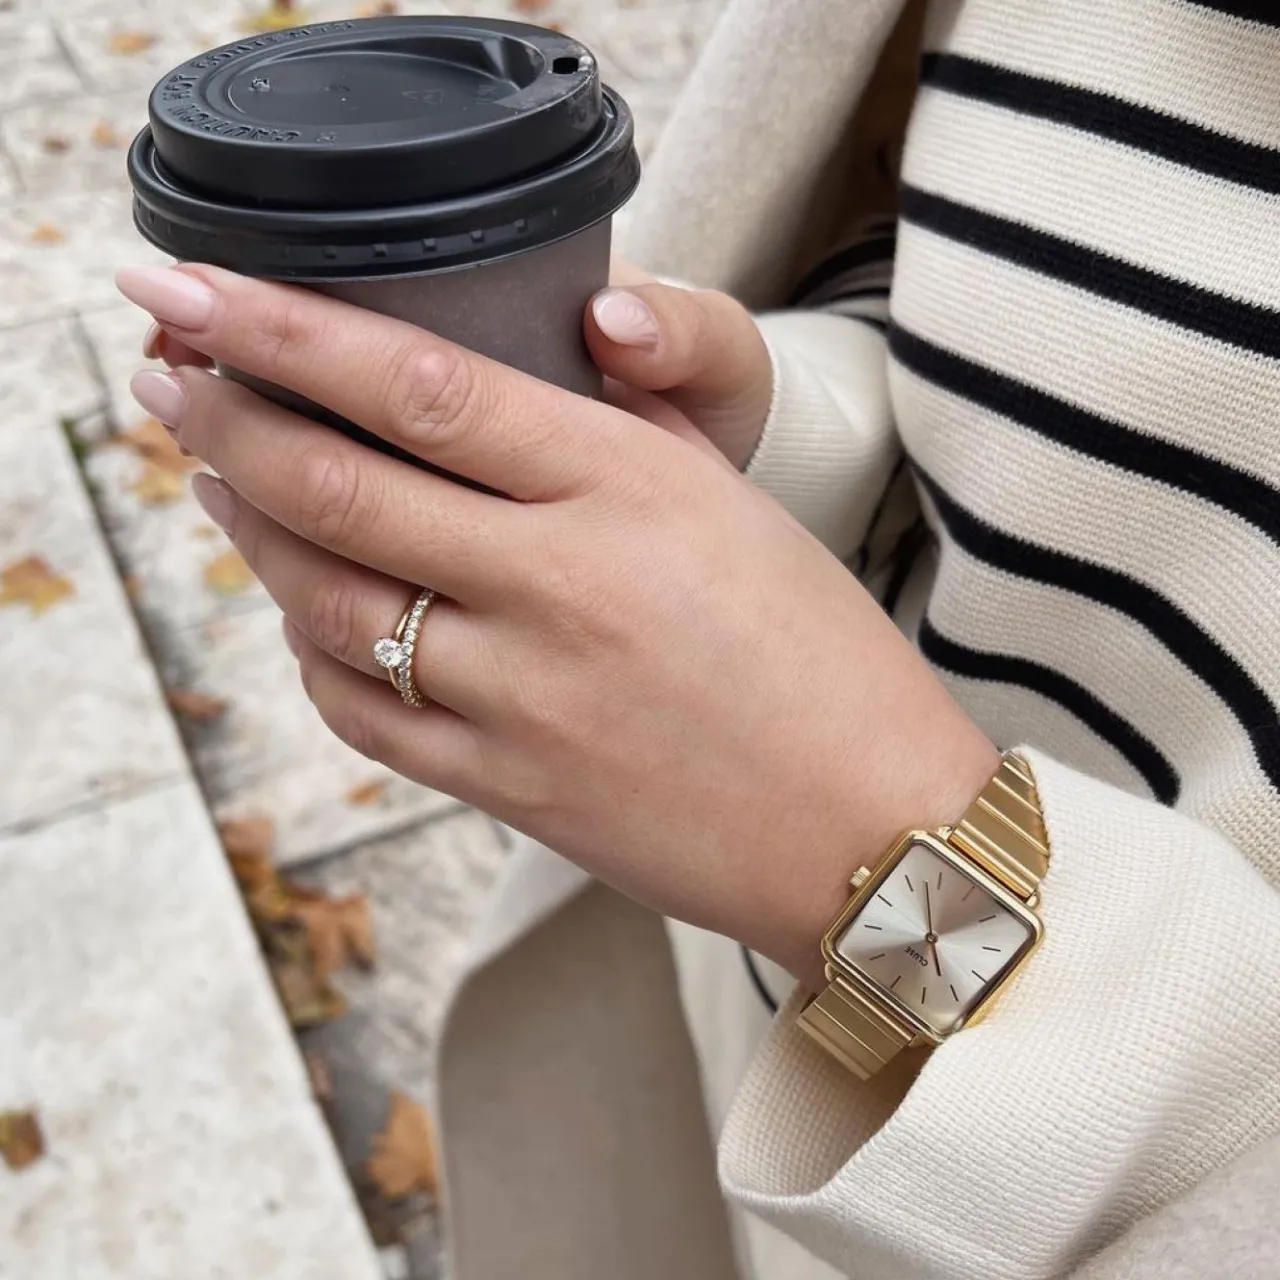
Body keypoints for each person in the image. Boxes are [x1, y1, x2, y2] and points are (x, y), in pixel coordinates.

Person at [115, 0, 1280, 1275]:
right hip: (740, 1045)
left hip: (990, 1188)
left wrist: (883, 869)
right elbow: (967, 246)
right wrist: (777, 438)